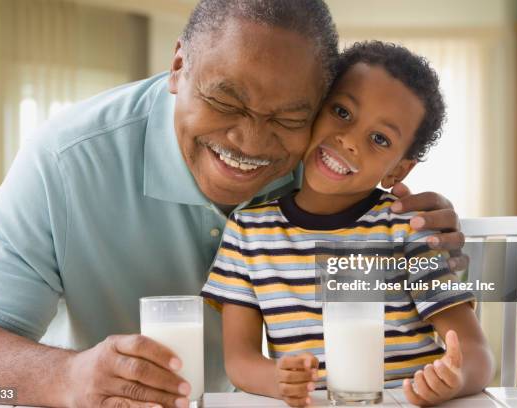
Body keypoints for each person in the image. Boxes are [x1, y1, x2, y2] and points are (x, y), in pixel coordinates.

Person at [0, 2, 467, 408]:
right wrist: (64, 378)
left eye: (289, 117)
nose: (250, 141)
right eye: (226, 100)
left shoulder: (323, 157)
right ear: (178, 65)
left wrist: (428, 235)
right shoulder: (64, 163)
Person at [201, 41, 494, 407]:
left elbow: (477, 353)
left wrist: (455, 377)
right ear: (313, 109)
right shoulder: (247, 232)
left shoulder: (406, 230)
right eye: (341, 111)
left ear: (398, 170)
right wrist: (277, 380)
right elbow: (239, 360)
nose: (350, 140)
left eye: (379, 139)